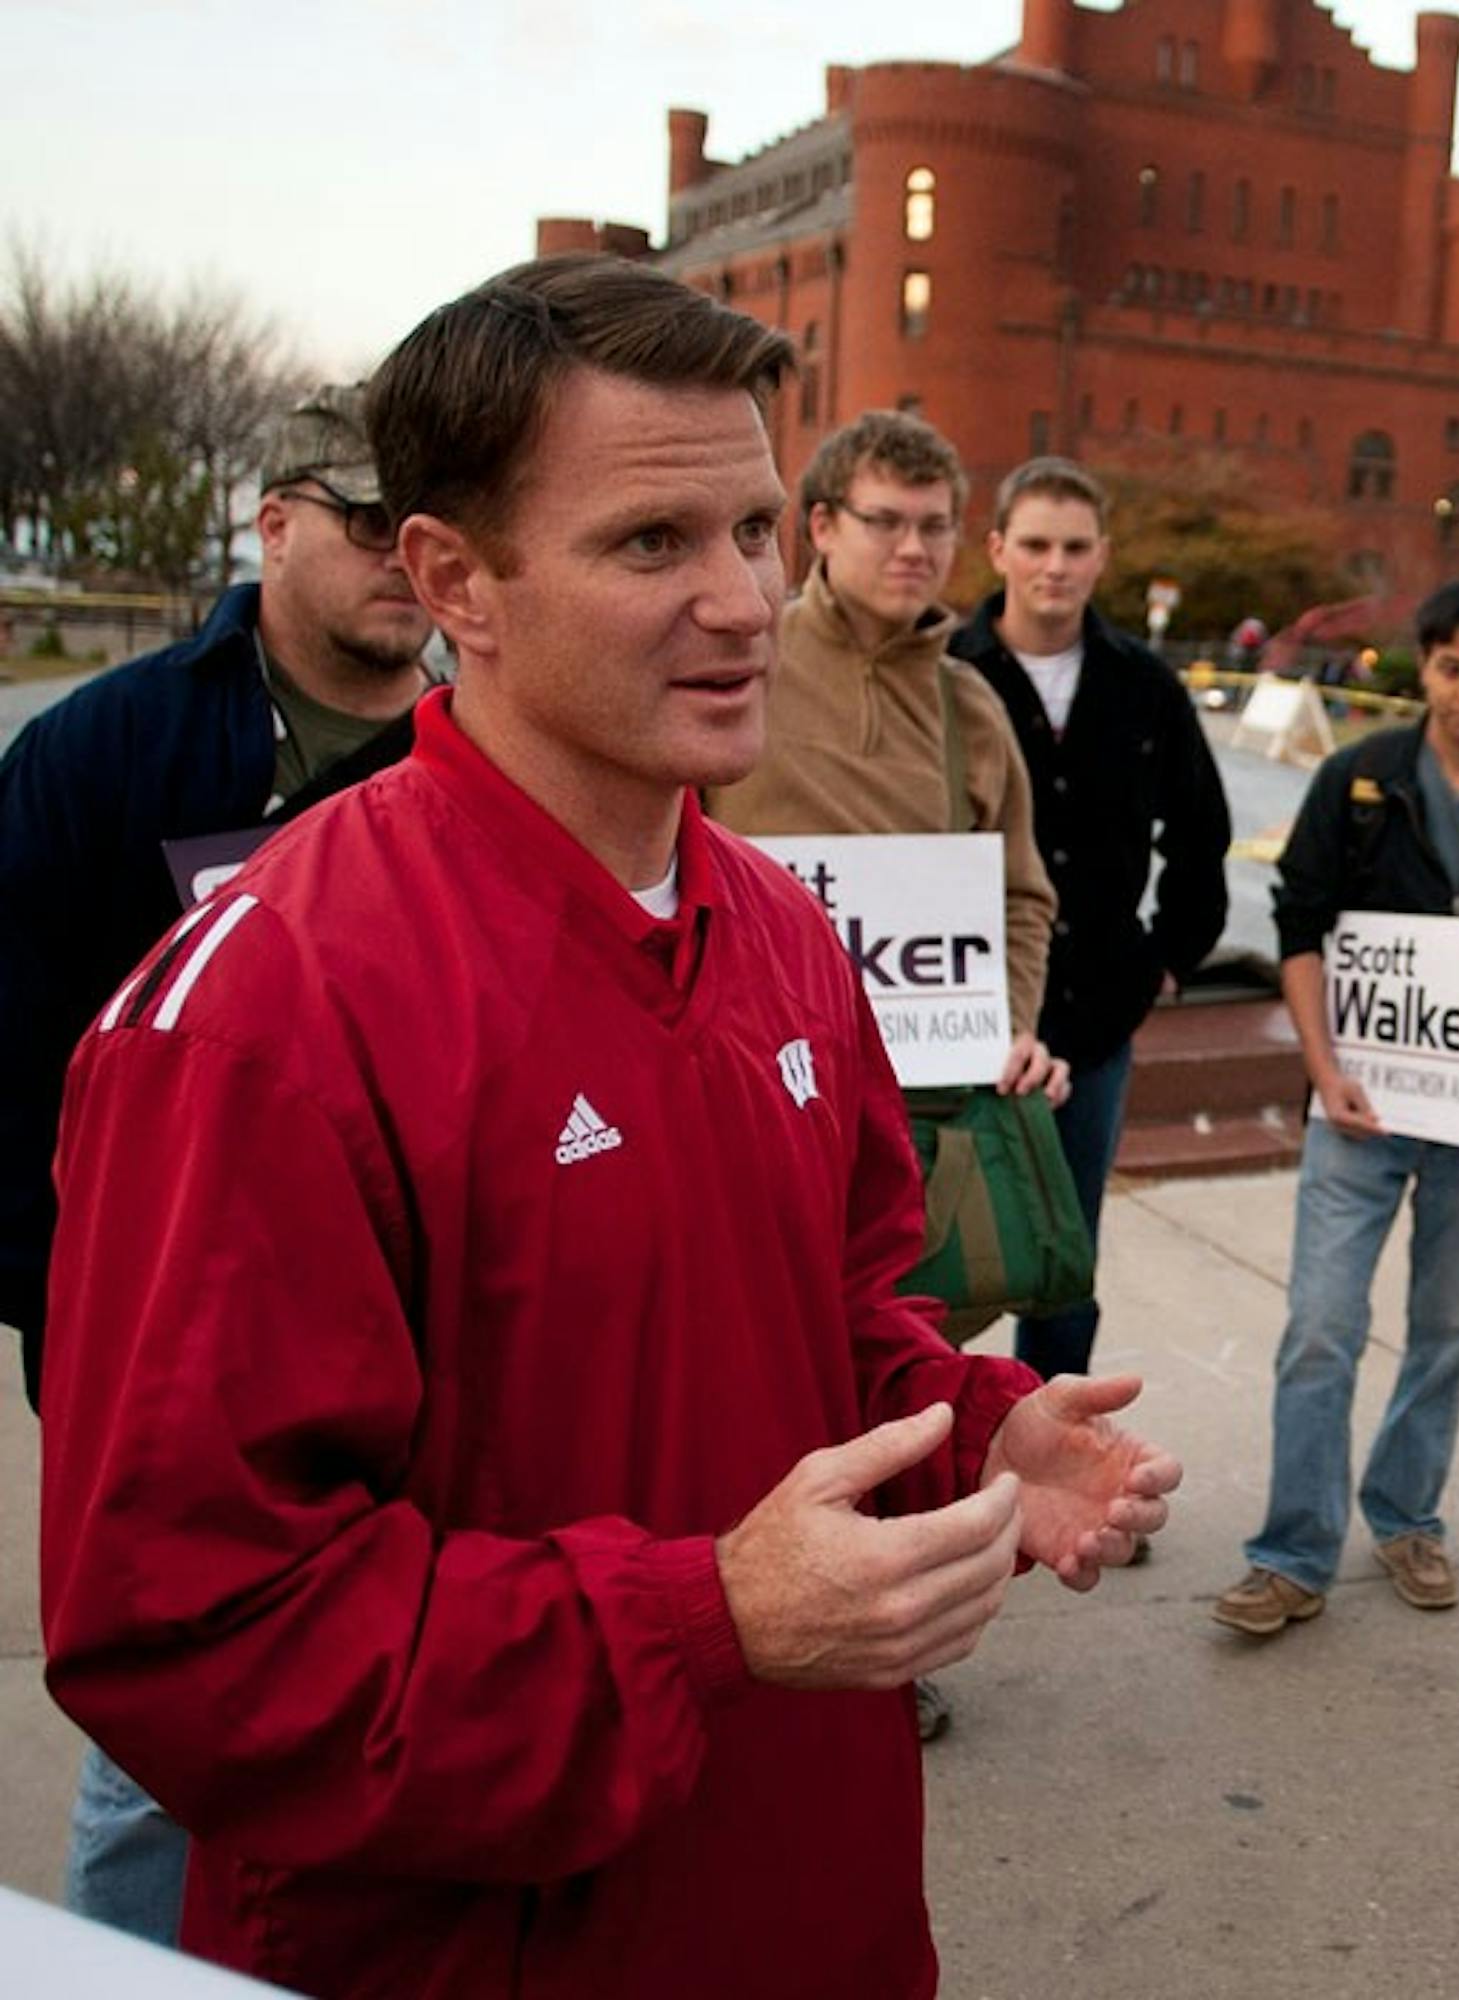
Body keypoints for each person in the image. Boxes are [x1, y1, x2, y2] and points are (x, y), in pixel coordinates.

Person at [37, 254, 1179, 2000]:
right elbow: (194, 1640)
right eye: (651, 546)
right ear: (453, 582)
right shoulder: (267, 1009)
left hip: (821, 1908)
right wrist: (705, 1622)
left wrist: (972, 1432)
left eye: (749, 529)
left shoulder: (786, 931)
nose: (738, 602)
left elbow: (840, 1320)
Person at [0, 383, 434, 1945]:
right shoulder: (106, 748)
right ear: (274, 525)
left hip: (427, 1327)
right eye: (373, 522)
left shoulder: (499, 749)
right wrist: (65, 1303)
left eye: (432, 528)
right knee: (167, 1748)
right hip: (163, 1341)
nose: (409, 556)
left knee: (406, 1706)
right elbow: (8, 1045)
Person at [1212, 577, 1459, 1636]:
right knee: (1321, 1325)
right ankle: (1290, 1552)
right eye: (1450, 666)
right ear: (1423, 668)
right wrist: (1321, 1063)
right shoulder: (1357, 779)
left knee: (1445, 1329)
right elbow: (1298, 924)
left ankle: (1405, 1513)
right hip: (1361, 1106)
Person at [948, 456, 1230, 1379]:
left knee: (1067, 1258)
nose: (1054, 566)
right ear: (997, 549)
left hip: (1099, 1016)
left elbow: (1200, 837)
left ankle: (1053, 1472)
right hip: (959, 1013)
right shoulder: (945, 673)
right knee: (929, 1255)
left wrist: (1164, 962)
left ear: (1103, 556)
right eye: (1034, 544)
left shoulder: (1144, 687)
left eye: (1074, 547)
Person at [710, 408, 1062, 1096]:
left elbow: (1021, 896)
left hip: (920, 1099)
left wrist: (1008, 1026)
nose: (913, 547)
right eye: (885, 522)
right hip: (750, 1076)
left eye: (934, 526)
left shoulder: (973, 709)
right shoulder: (735, 666)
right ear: (822, 528)